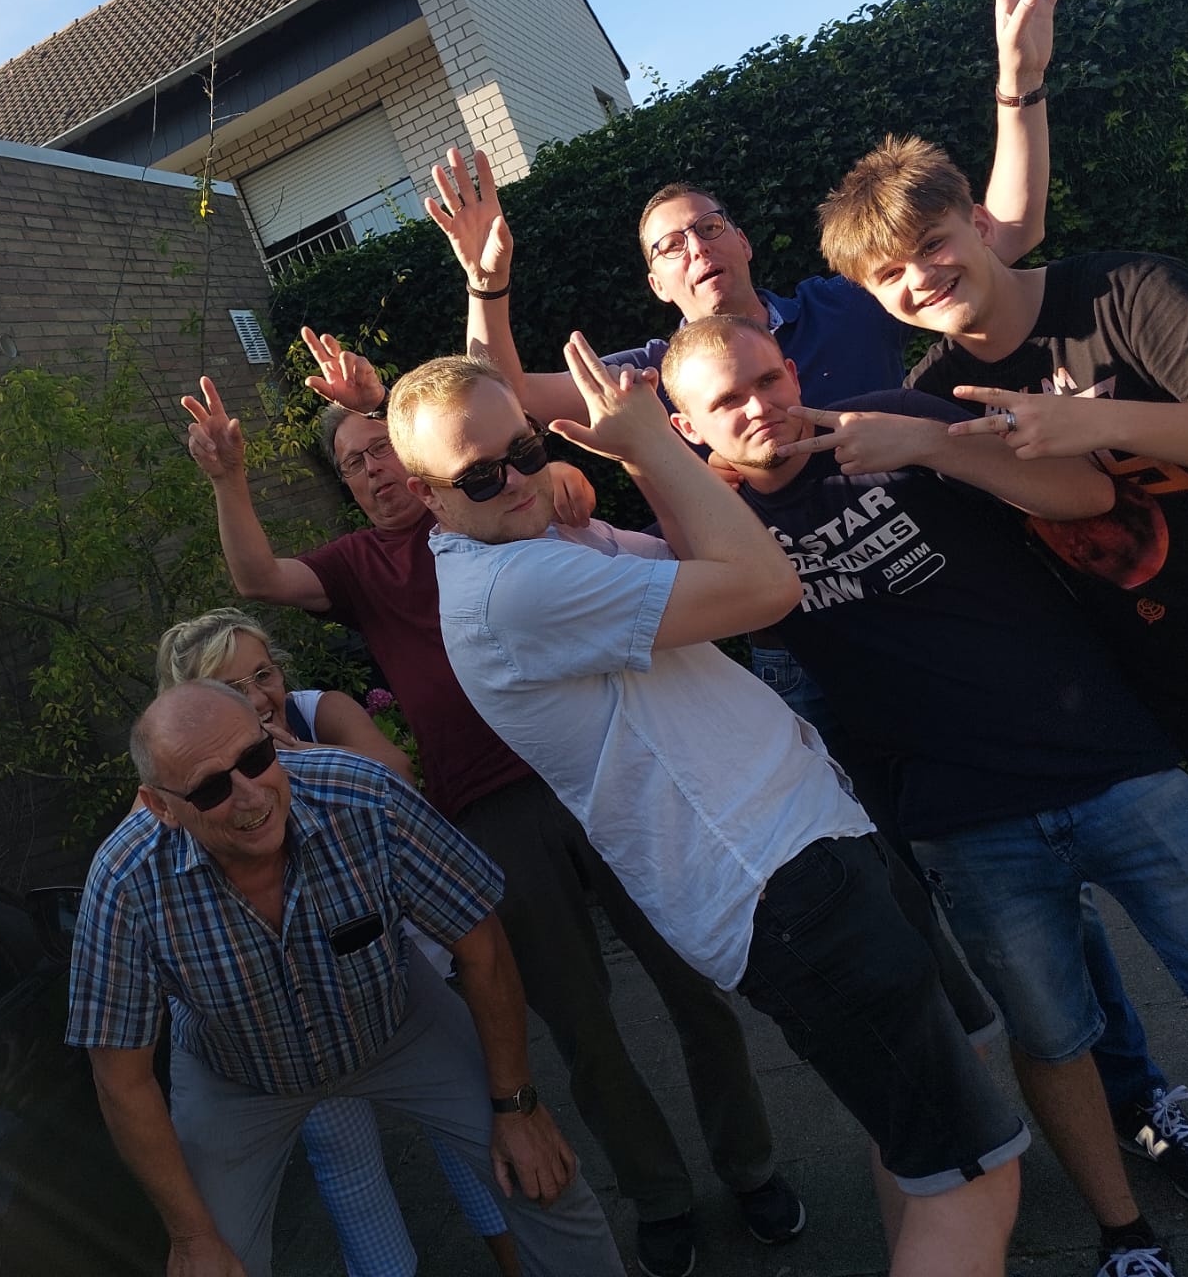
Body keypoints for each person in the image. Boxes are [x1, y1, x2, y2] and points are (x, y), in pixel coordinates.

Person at [394, 0, 1188, 1208]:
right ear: (653, 284)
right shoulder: (646, 380)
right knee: (931, 904)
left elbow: (1004, 229)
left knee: (1041, 887)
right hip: (803, 665)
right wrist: (486, 281)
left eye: (706, 225)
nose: (693, 247)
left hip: (955, 634)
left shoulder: (839, 304)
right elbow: (492, 404)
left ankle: (1133, 1105)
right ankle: (962, 1139)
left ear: (744, 241)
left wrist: (1016, 84)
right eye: (665, 243)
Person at [660, 314, 1188, 1275]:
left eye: (768, 379)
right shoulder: (716, 526)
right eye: (728, 401)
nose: (761, 407)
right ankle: (1124, 1236)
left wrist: (927, 445)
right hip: (965, 822)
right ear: (688, 430)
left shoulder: (888, 416)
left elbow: (1085, 494)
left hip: (1114, 766)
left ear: (793, 369)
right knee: (1052, 1039)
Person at [384, 343, 1025, 1277]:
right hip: (780, 880)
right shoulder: (517, 589)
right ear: (427, 496)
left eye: (523, 451)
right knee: (977, 1177)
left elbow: (697, 556)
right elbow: (763, 588)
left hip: (805, 844)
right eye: (479, 476)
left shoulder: (535, 546)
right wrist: (651, 446)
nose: (515, 481)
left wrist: (626, 471)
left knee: (925, 1154)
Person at [181, 370, 802, 1277]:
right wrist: (228, 478)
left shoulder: (492, 510)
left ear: (421, 466)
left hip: (597, 772)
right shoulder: (358, 566)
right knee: (583, 1028)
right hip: (493, 815)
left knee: (690, 983)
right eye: (353, 464)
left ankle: (751, 1166)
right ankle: (659, 1196)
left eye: (381, 449)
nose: (372, 470)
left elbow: (493, 432)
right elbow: (257, 577)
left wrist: (559, 474)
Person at [816, 132, 1188, 931]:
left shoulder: (1126, 292)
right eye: (889, 273)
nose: (920, 277)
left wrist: (1103, 420)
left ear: (981, 224)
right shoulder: (936, 399)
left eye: (933, 243)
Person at [66, 680, 627, 1277]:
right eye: (210, 789)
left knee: (545, 1177)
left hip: (396, 1019)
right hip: (237, 1071)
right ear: (160, 807)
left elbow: (480, 943)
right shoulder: (125, 882)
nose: (251, 795)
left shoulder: (363, 797)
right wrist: (191, 1235)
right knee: (213, 1262)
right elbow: (121, 1079)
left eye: (256, 757)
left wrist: (517, 1105)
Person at [155, 608, 521, 1277]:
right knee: (348, 1162)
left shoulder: (316, 711)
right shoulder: (189, 784)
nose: (258, 697)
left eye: (262, 674)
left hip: (391, 970)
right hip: (286, 1008)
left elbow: (396, 774)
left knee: (466, 1136)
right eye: (231, 688)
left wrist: (295, 763)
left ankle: (513, 1260)